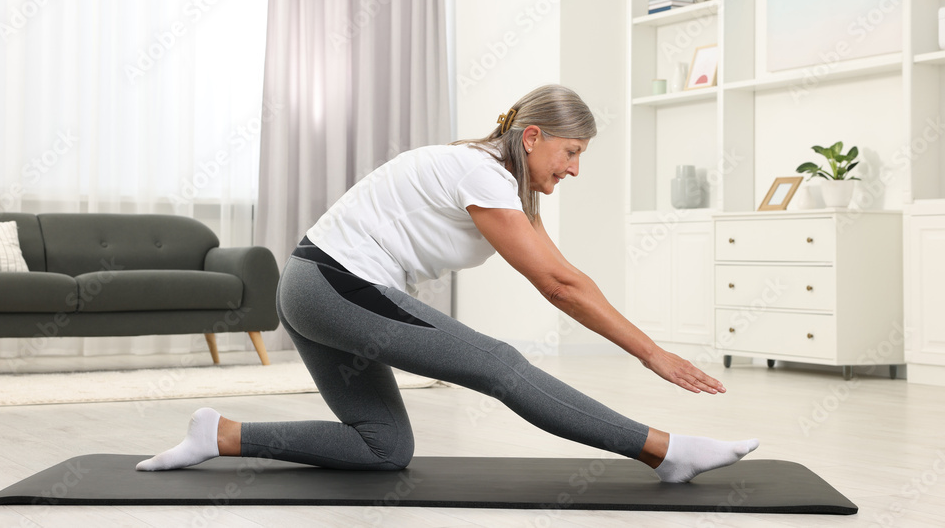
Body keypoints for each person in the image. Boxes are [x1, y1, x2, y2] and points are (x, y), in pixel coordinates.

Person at [137, 84, 757, 483]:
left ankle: (220, 434)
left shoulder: (495, 182)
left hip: (312, 289)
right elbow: (561, 286)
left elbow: (567, 276)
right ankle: (663, 450)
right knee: (501, 365)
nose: (574, 168)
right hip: (333, 285)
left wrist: (644, 348)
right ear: (533, 137)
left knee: (383, 447)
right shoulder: (481, 172)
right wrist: (653, 354)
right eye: (570, 152)